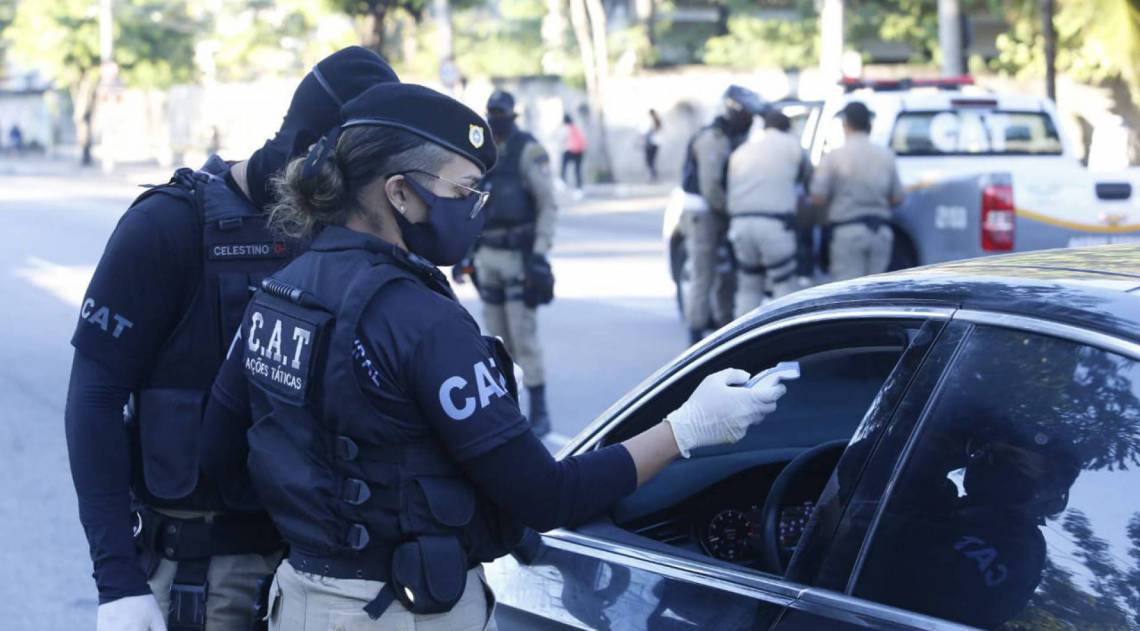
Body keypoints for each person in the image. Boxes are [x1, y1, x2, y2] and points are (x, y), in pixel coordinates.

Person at [199, 81, 792, 631]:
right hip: (398, 613)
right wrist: (686, 428)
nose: (474, 208)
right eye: (462, 192)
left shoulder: (281, 290)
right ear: (400, 193)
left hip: (300, 601)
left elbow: (220, 454)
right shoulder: (420, 319)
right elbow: (547, 495)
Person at [64, 46, 399, 631]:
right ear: (312, 141)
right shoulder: (169, 225)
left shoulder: (349, 234)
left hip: (324, 581)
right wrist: (117, 581)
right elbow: (93, 398)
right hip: (200, 574)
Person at [459, 89, 557, 436]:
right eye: (492, 113)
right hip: (488, 257)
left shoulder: (528, 151)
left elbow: (547, 204)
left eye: (501, 114)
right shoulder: (483, 154)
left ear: (512, 116)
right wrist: (464, 253)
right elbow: (471, 204)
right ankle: (509, 412)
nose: (496, 119)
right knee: (496, 341)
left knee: (523, 336)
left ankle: (540, 411)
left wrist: (540, 254)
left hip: (519, 258)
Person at [679, 85, 765, 344]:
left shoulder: (729, 137)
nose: (750, 122)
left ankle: (722, 328)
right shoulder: (713, 139)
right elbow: (711, 188)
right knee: (704, 272)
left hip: (717, 212)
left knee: (726, 274)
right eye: (747, 115)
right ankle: (696, 333)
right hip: (704, 214)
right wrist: (732, 212)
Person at [726, 110, 812, 316]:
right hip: (775, 226)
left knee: (748, 285)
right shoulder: (793, 147)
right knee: (783, 286)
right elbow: (806, 179)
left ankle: (742, 338)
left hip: (741, 227)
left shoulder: (741, 151)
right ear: (787, 128)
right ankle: (785, 339)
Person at [809, 101, 904, 282]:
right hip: (880, 233)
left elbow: (817, 197)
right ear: (869, 124)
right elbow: (898, 198)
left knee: (849, 294)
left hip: (847, 233)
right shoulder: (886, 156)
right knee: (877, 292)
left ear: (845, 124)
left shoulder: (833, 157)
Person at [560, 113, 586, 190]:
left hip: (571, 150)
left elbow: (562, 139)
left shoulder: (566, 128)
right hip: (580, 151)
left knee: (564, 165)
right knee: (577, 170)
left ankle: (563, 180)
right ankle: (579, 186)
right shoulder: (576, 127)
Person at [644, 109, 663, 182]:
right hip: (651, 143)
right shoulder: (651, 122)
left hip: (653, 143)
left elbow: (656, 132)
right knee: (650, 161)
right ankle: (653, 176)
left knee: (650, 161)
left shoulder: (656, 122)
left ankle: (653, 177)